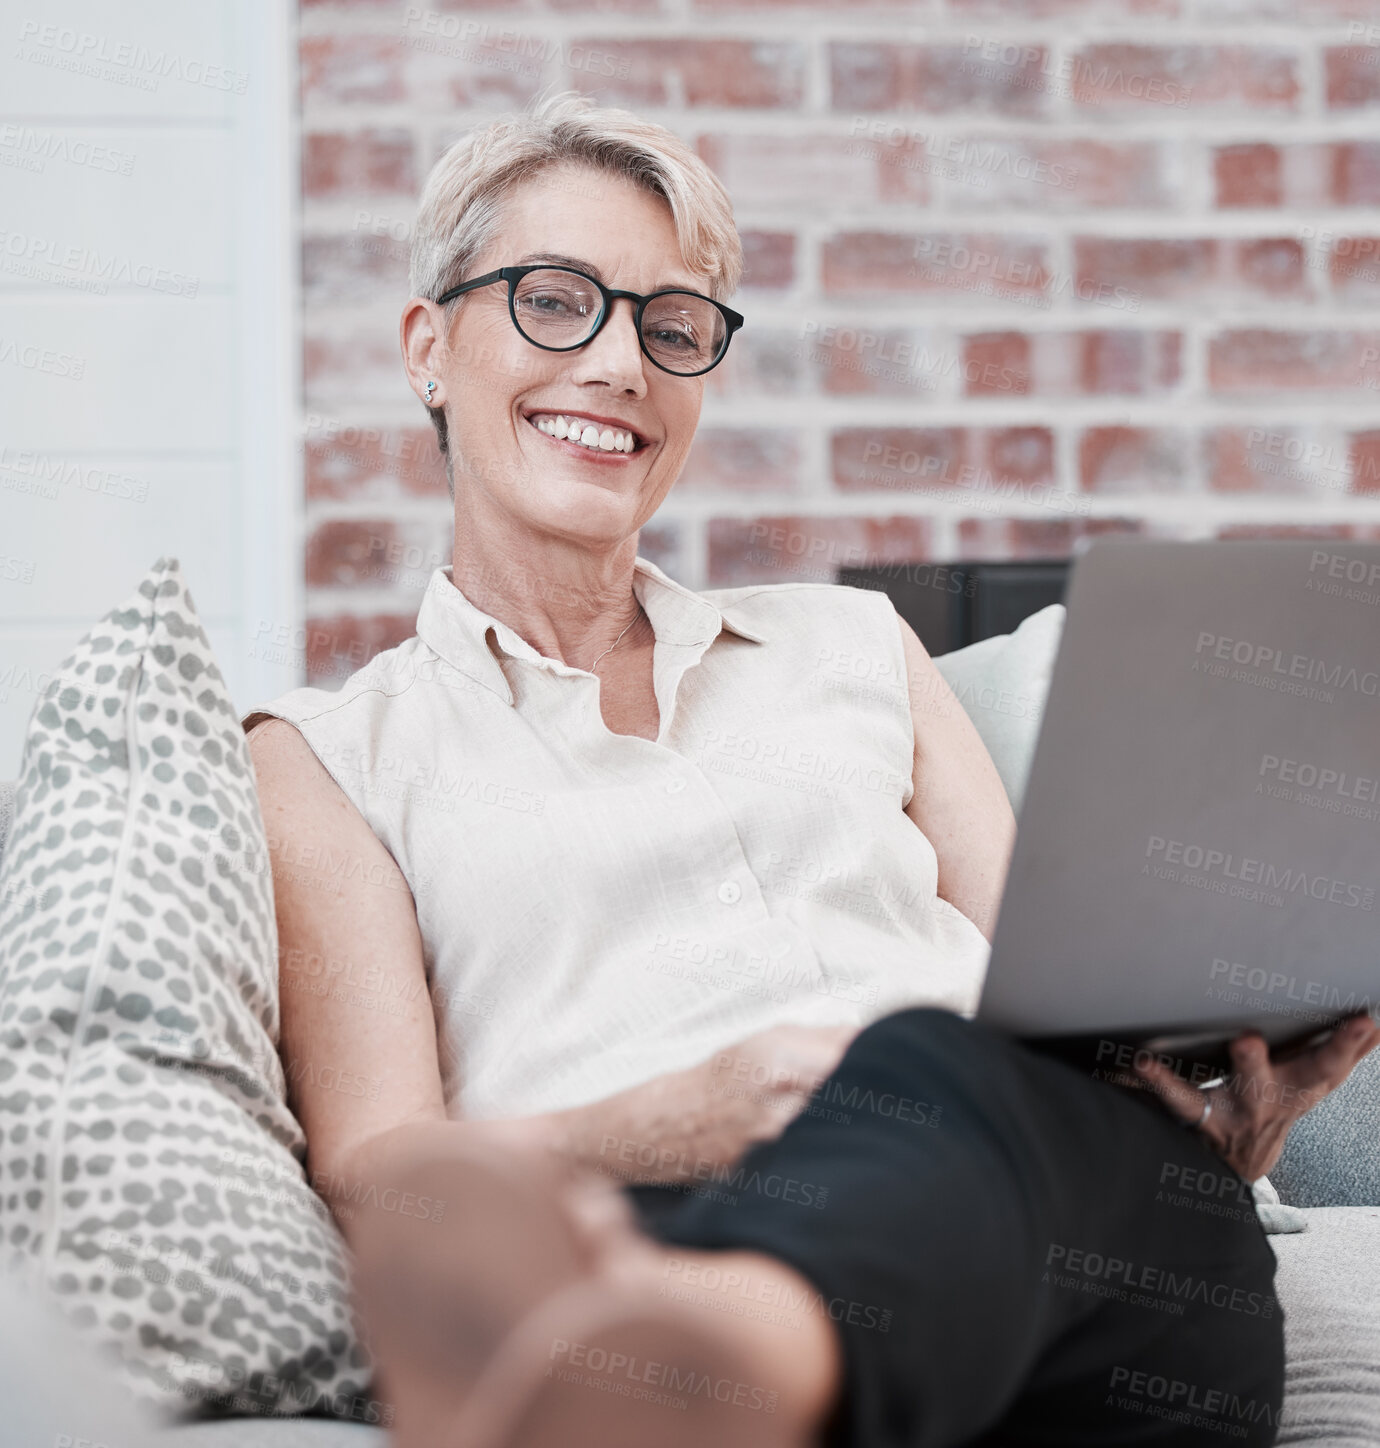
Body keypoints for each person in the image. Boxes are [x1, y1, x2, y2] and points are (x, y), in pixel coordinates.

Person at [243, 92, 1380, 1447]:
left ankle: (690, 1381)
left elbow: (1068, 1017)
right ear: (429, 346)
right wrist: (677, 1118)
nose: (618, 365)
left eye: (671, 327)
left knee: (946, 1072)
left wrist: (1212, 1109)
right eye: (556, 301)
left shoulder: (855, 646)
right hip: (670, 1223)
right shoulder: (327, 756)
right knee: (919, 1093)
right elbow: (381, 1173)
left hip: (1087, 1254)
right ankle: (674, 1350)